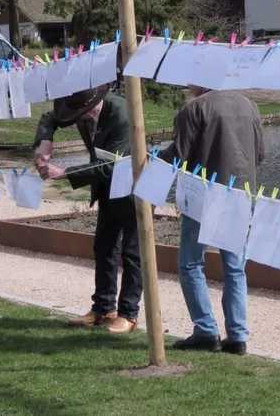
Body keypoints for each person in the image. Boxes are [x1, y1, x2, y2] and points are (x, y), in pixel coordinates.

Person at [158, 85, 265, 355]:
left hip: (204, 197)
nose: (186, 85)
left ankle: (206, 330)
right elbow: (261, 154)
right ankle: (238, 337)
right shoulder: (249, 105)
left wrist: (151, 157)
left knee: (191, 263)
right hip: (241, 195)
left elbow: (178, 155)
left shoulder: (195, 108)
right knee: (235, 267)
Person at [33, 86, 141, 334]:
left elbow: (112, 165)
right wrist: (44, 141)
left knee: (133, 253)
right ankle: (103, 308)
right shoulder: (78, 107)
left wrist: (65, 173)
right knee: (104, 247)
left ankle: (128, 314)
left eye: (81, 114)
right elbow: (50, 117)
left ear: (93, 106)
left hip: (133, 187)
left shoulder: (122, 115)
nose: (78, 119)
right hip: (106, 188)